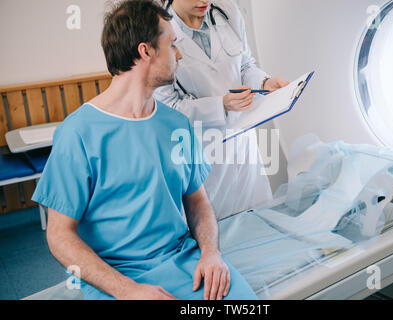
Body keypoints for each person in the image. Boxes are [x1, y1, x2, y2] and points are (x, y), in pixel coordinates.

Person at [31, 0, 257, 300]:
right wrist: (127, 290)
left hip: (184, 261)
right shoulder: (78, 133)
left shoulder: (176, 124)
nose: (179, 54)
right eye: (172, 45)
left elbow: (198, 202)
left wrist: (211, 253)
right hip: (114, 276)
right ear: (145, 51)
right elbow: (59, 236)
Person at [154, 0, 290, 220]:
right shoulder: (159, 29)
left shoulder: (228, 12)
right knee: (214, 229)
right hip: (202, 150)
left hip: (243, 142)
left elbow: (245, 65)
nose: (204, 1)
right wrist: (221, 104)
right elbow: (168, 106)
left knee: (260, 222)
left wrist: (264, 83)